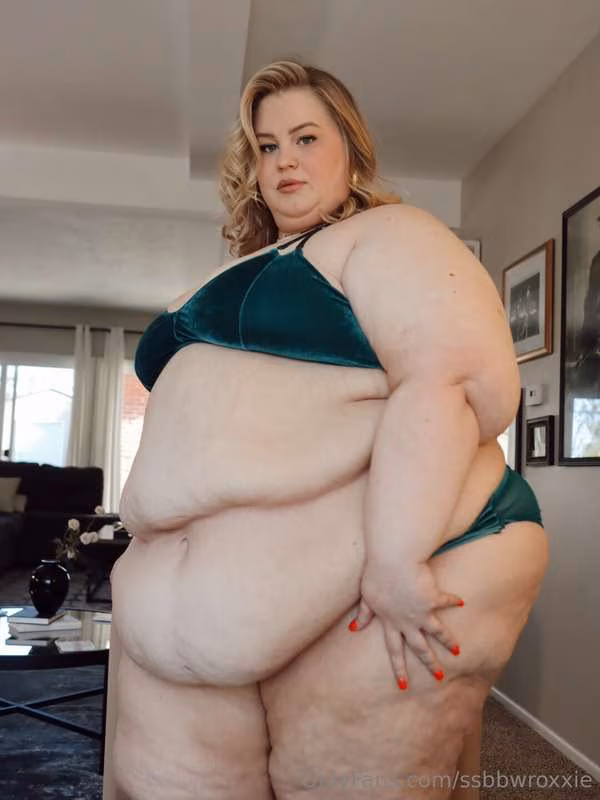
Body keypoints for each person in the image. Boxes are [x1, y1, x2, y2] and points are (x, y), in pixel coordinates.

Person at [105, 60, 548, 800]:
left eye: (306, 138)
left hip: (373, 585)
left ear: (350, 147)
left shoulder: (390, 234)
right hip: (190, 622)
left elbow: (453, 378)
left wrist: (397, 563)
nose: (286, 160)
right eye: (268, 146)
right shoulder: (245, 265)